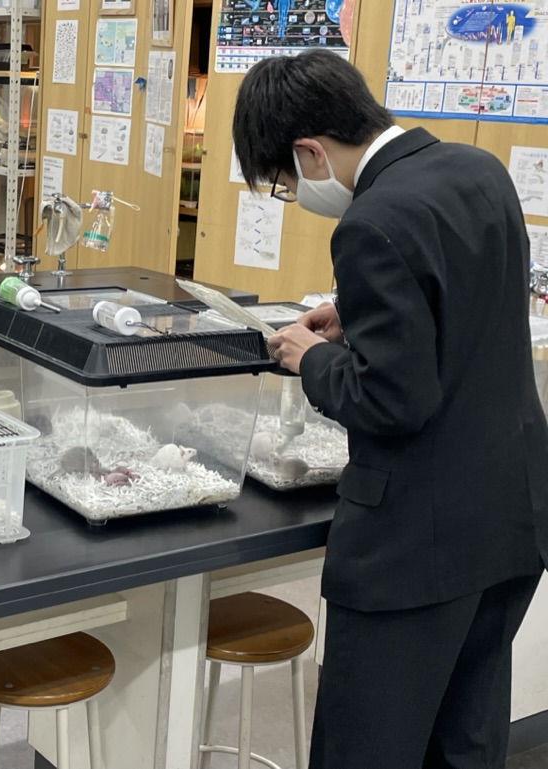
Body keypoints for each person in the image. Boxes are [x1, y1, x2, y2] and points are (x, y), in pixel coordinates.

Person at [232, 49, 548, 768]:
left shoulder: (370, 222)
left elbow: (393, 399)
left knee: (366, 747)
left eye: (286, 181)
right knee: (465, 742)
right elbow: (464, 301)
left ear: (311, 151)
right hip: (512, 514)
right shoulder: (478, 170)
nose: (296, 194)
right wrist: (356, 315)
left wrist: (311, 359)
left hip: (417, 544)